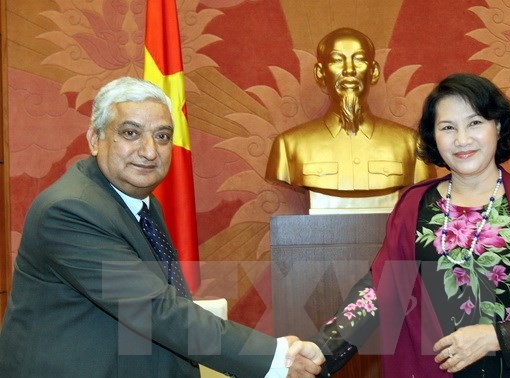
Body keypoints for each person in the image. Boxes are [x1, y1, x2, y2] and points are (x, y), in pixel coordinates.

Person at [0, 77, 324, 378]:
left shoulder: (141, 201)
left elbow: (162, 306)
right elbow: (156, 309)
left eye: (162, 136)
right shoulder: (71, 211)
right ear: (95, 140)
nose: (149, 151)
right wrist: (274, 359)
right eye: (130, 133)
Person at [309, 73, 510, 377]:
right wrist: (321, 349)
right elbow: (382, 289)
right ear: (434, 137)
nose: (462, 139)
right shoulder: (414, 206)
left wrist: (495, 337)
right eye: (447, 127)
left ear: (497, 126)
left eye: (475, 123)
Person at [265, 28, 434, 209]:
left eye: (359, 59)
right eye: (337, 60)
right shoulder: (288, 145)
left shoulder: (411, 143)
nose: (349, 70)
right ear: (320, 73)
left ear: (374, 71)